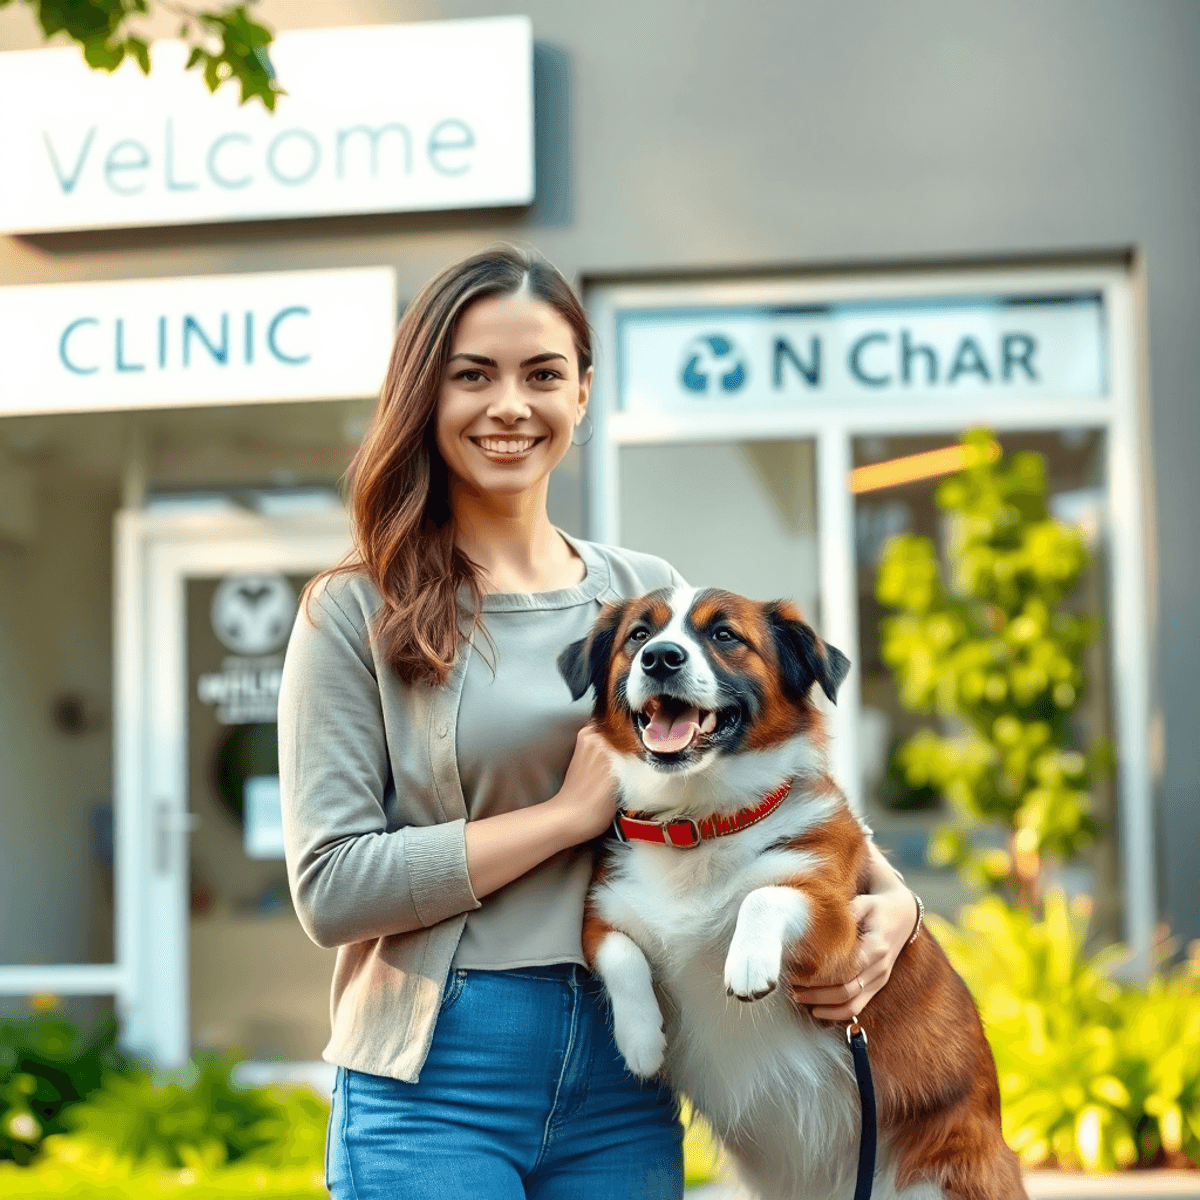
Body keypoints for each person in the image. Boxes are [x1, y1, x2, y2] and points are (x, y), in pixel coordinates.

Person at [278, 246, 920, 1200]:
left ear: (581, 393)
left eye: (542, 374)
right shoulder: (355, 610)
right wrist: (564, 819)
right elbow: (330, 888)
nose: (510, 406)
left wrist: (893, 905)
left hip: (633, 1064)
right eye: (472, 375)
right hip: (438, 1073)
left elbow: (776, 790)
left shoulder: (642, 594)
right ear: (425, 394)